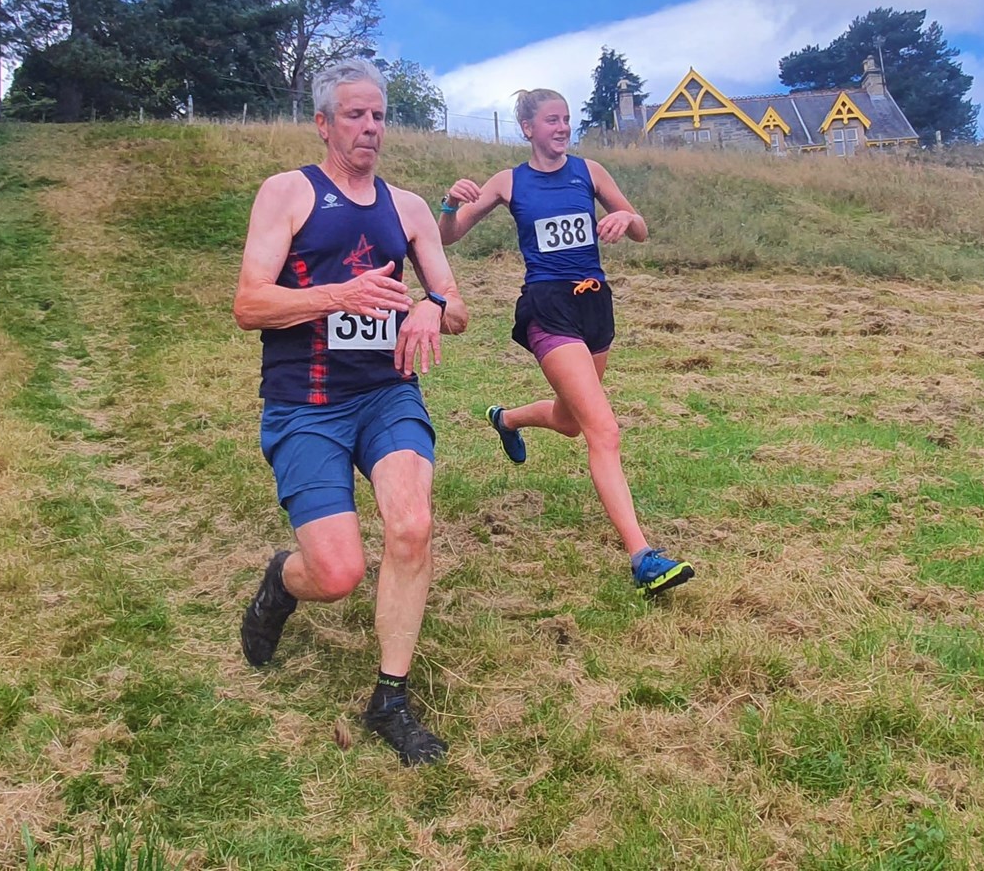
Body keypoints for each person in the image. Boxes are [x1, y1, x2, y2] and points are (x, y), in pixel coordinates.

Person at [233, 58, 467, 766]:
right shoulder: (288, 193)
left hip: (386, 392)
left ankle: (389, 699)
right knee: (336, 574)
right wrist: (338, 294)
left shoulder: (409, 208)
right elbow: (248, 304)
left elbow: (455, 306)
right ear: (324, 122)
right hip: (305, 402)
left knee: (412, 526)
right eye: (355, 115)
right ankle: (282, 580)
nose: (369, 128)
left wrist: (430, 305)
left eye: (379, 116)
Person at [437, 88, 693, 597]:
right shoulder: (509, 182)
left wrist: (628, 220)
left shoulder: (591, 172)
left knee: (571, 422)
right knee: (605, 430)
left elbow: (641, 229)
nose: (562, 128)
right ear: (528, 128)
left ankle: (505, 419)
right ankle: (642, 557)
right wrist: (448, 204)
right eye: (551, 120)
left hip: (594, 304)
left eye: (567, 119)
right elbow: (449, 236)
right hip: (547, 307)